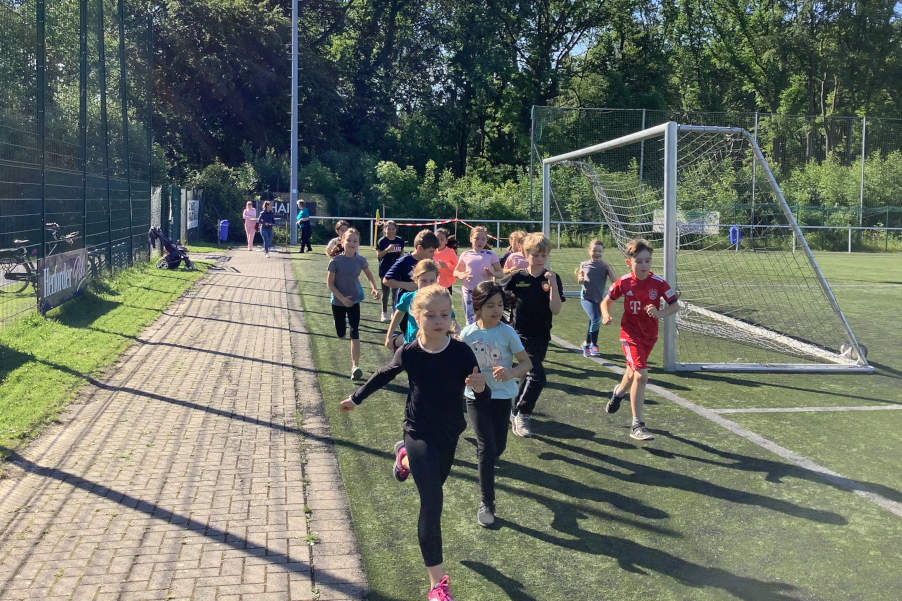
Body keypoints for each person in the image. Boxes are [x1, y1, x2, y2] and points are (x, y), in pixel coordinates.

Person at [339, 285, 488, 601]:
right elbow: (384, 374)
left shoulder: (461, 351)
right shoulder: (409, 352)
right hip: (417, 431)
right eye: (431, 315)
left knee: (436, 482)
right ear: (417, 316)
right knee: (432, 503)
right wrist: (356, 398)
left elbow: (480, 390)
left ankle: (402, 458)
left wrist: (479, 385)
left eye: (445, 315)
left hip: (449, 433)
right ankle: (437, 585)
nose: (438, 320)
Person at [459, 281, 531, 527]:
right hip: (476, 397)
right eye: (490, 305)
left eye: (500, 305)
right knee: (485, 448)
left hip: (502, 397)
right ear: (478, 307)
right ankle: (486, 503)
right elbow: (457, 366)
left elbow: (526, 364)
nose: (496, 310)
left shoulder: (507, 333)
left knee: (497, 447)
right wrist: (466, 378)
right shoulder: (468, 335)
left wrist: (511, 373)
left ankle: (488, 461)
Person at [600, 238, 680, 441]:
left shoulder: (658, 282)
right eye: (639, 261)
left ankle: (618, 393)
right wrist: (606, 315)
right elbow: (606, 301)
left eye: (648, 261)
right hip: (630, 335)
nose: (644, 265)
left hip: (649, 336)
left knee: (632, 373)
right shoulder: (624, 282)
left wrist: (660, 313)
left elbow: (675, 306)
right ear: (629, 262)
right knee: (641, 375)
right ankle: (637, 424)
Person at [502, 232, 564, 437]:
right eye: (535, 255)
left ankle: (514, 411)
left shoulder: (552, 278)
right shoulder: (516, 277)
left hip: (542, 334)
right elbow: (497, 297)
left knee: (529, 374)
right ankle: (522, 413)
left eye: (543, 255)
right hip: (519, 333)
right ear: (525, 253)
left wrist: (553, 284)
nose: (539, 259)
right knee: (537, 376)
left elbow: (556, 310)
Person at [327, 228, 380, 381]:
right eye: (349, 240)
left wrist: (374, 288)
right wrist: (342, 299)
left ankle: (355, 366)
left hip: (354, 300)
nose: (352, 243)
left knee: (354, 331)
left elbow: (369, 275)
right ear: (342, 242)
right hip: (338, 301)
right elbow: (330, 285)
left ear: (358, 244)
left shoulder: (360, 260)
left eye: (355, 241)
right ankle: (339, 323)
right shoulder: (335, 261)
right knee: (341, 332)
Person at [385, 260, 458, 350]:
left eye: (432, 280)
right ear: (416, 280)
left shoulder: (442, 300)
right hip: (412, 345)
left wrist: (457, 333)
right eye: (424, 280)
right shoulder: (408, 298)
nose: (428, 284)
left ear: (437, 279)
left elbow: (452, 319)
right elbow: (398, 314)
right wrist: (389, 335)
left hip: (435, 346)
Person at [383, 229, 439, 338]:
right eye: (431, 251)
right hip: (406, 309)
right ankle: (398, 345)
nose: (433, 255)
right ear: (419, 248)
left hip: (425, 306)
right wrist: (406, 285)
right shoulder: (404, 261)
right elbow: (386, 280)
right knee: (409, 336)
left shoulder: (429, 263)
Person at [453, 226, 503, 325]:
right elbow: (455, 272)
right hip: (469, 291)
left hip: (485, 292)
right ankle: (470, 339)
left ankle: (486, 338)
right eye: (476, 238)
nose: (480, 241)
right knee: (471, 320)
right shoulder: (465, 254)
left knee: (486, 317)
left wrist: (493, 274)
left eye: (483, 239)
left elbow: (500, 273)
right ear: (471, 238)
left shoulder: (490, 254)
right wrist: (461, 275)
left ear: (486, 240)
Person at [575, 239, 617, 357]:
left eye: (600, 251)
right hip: (586, 298)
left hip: (600, 299)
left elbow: (614, 281)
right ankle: (592, 344)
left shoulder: (604, 266)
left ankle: (587, 344)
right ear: (589, 251)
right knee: (596, 319)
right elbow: (579, 278)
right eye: (594, 250)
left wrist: (609, 268)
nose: (597, 253)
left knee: (594, 322)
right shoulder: (583, 264)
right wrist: (580, 279)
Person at [376, 220, 405, 321]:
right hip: (385, 270)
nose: (391, 231)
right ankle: (384, 313)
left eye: (393, 229)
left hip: (396, 270)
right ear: (384, 230)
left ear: (396, 229)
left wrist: (402, 260)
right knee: (385, 293)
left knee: (395, 292)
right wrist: (387, 249)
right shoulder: (382, 241)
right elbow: (379, 256)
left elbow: (401, 254)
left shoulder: (400, 241)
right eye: (388, 229)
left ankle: (394, 311)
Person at [433, 228, 458, 295]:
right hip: (433, 284)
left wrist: (446, 266)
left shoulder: (450, 252)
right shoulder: (431, 251)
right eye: (437, 239)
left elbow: (457, 268)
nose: (439, 241)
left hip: (446, 285)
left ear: (446, 241)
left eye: (442, 239)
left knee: (446, 305)